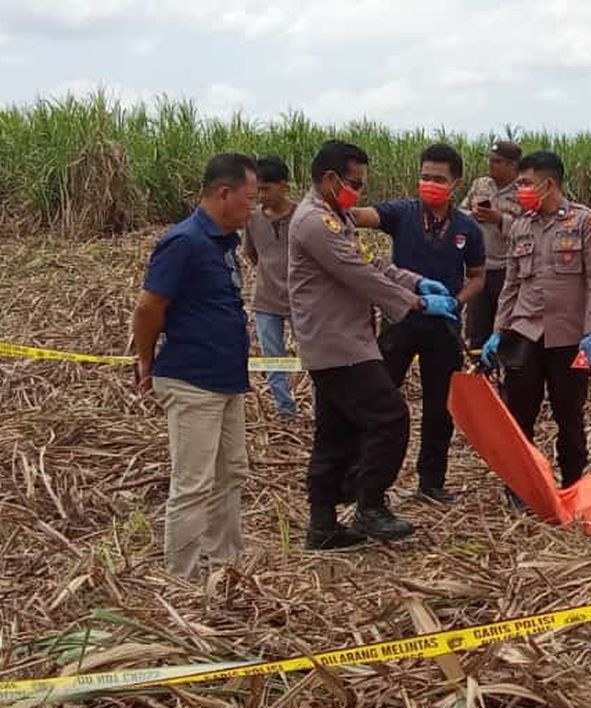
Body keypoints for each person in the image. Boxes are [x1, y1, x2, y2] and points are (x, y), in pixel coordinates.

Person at [289, 140, 459, 549]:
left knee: (335, 433)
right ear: (330, 179)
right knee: (389, 417)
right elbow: (359, 276)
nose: (358, 193)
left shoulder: (336, 216)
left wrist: (415, 281)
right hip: (338, 344)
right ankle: (370, 506)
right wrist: (416, 304)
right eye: (355, 183)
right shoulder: (315, 222)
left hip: (344, 340)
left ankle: (323, 525)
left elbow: (372, 264)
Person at [131, 153, 257, 579]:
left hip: (226, 381)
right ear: (224, 193)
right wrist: (146, 359)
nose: (252, 207)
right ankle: (180, 580)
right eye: (248, 198)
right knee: (194, 484)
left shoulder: (224, 244)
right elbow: (149, 307)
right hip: (191, 379)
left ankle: (225, 567)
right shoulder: (183, 242)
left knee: (231, 474)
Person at [352, 143, 485, 505]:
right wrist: (336, 207)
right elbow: (361, 216)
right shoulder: (402, 214)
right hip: (401, 320)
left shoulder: (467, 229)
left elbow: (477, 277)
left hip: (443, 326)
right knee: (381, 398)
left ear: (455, 183)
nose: (429, 184)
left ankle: (431, 482)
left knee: (439, 407)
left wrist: (456, 302)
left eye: (438, 179)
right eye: (425, 177)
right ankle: (366, 480)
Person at [480, 150, 591, 493]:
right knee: (520, 415)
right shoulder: (521, 225)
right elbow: (511, 283)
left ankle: (573, 486)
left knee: (569, 415)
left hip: (568, 337)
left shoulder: (585, 223)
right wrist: (498, 331)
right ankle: (522, 487)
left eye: (525, 183)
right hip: (525, 334)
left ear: (548, 184)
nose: (519, 189)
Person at [242, 155, 298, 420]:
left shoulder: (302, 216)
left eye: (267, 189)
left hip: (301, 300)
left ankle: (326, 410)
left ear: (284, 185)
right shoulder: (252, 219)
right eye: (258, 190)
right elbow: (252, 255)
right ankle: (285, 410)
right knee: (273, 359)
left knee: (315, 357)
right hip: (266, 300)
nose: (261, 195)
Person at [462, 141, 523, 349]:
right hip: (479, 268)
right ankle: (479, 374)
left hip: (508, 269)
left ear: (512, 165)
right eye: (490, 159)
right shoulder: (480, 185)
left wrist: (500, 219)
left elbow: (529, 230)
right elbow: (460, 214)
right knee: (476, 330)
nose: (491, 164)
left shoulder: (523, 192)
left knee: (507, 329)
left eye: (497, 161)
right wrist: (473, 216)